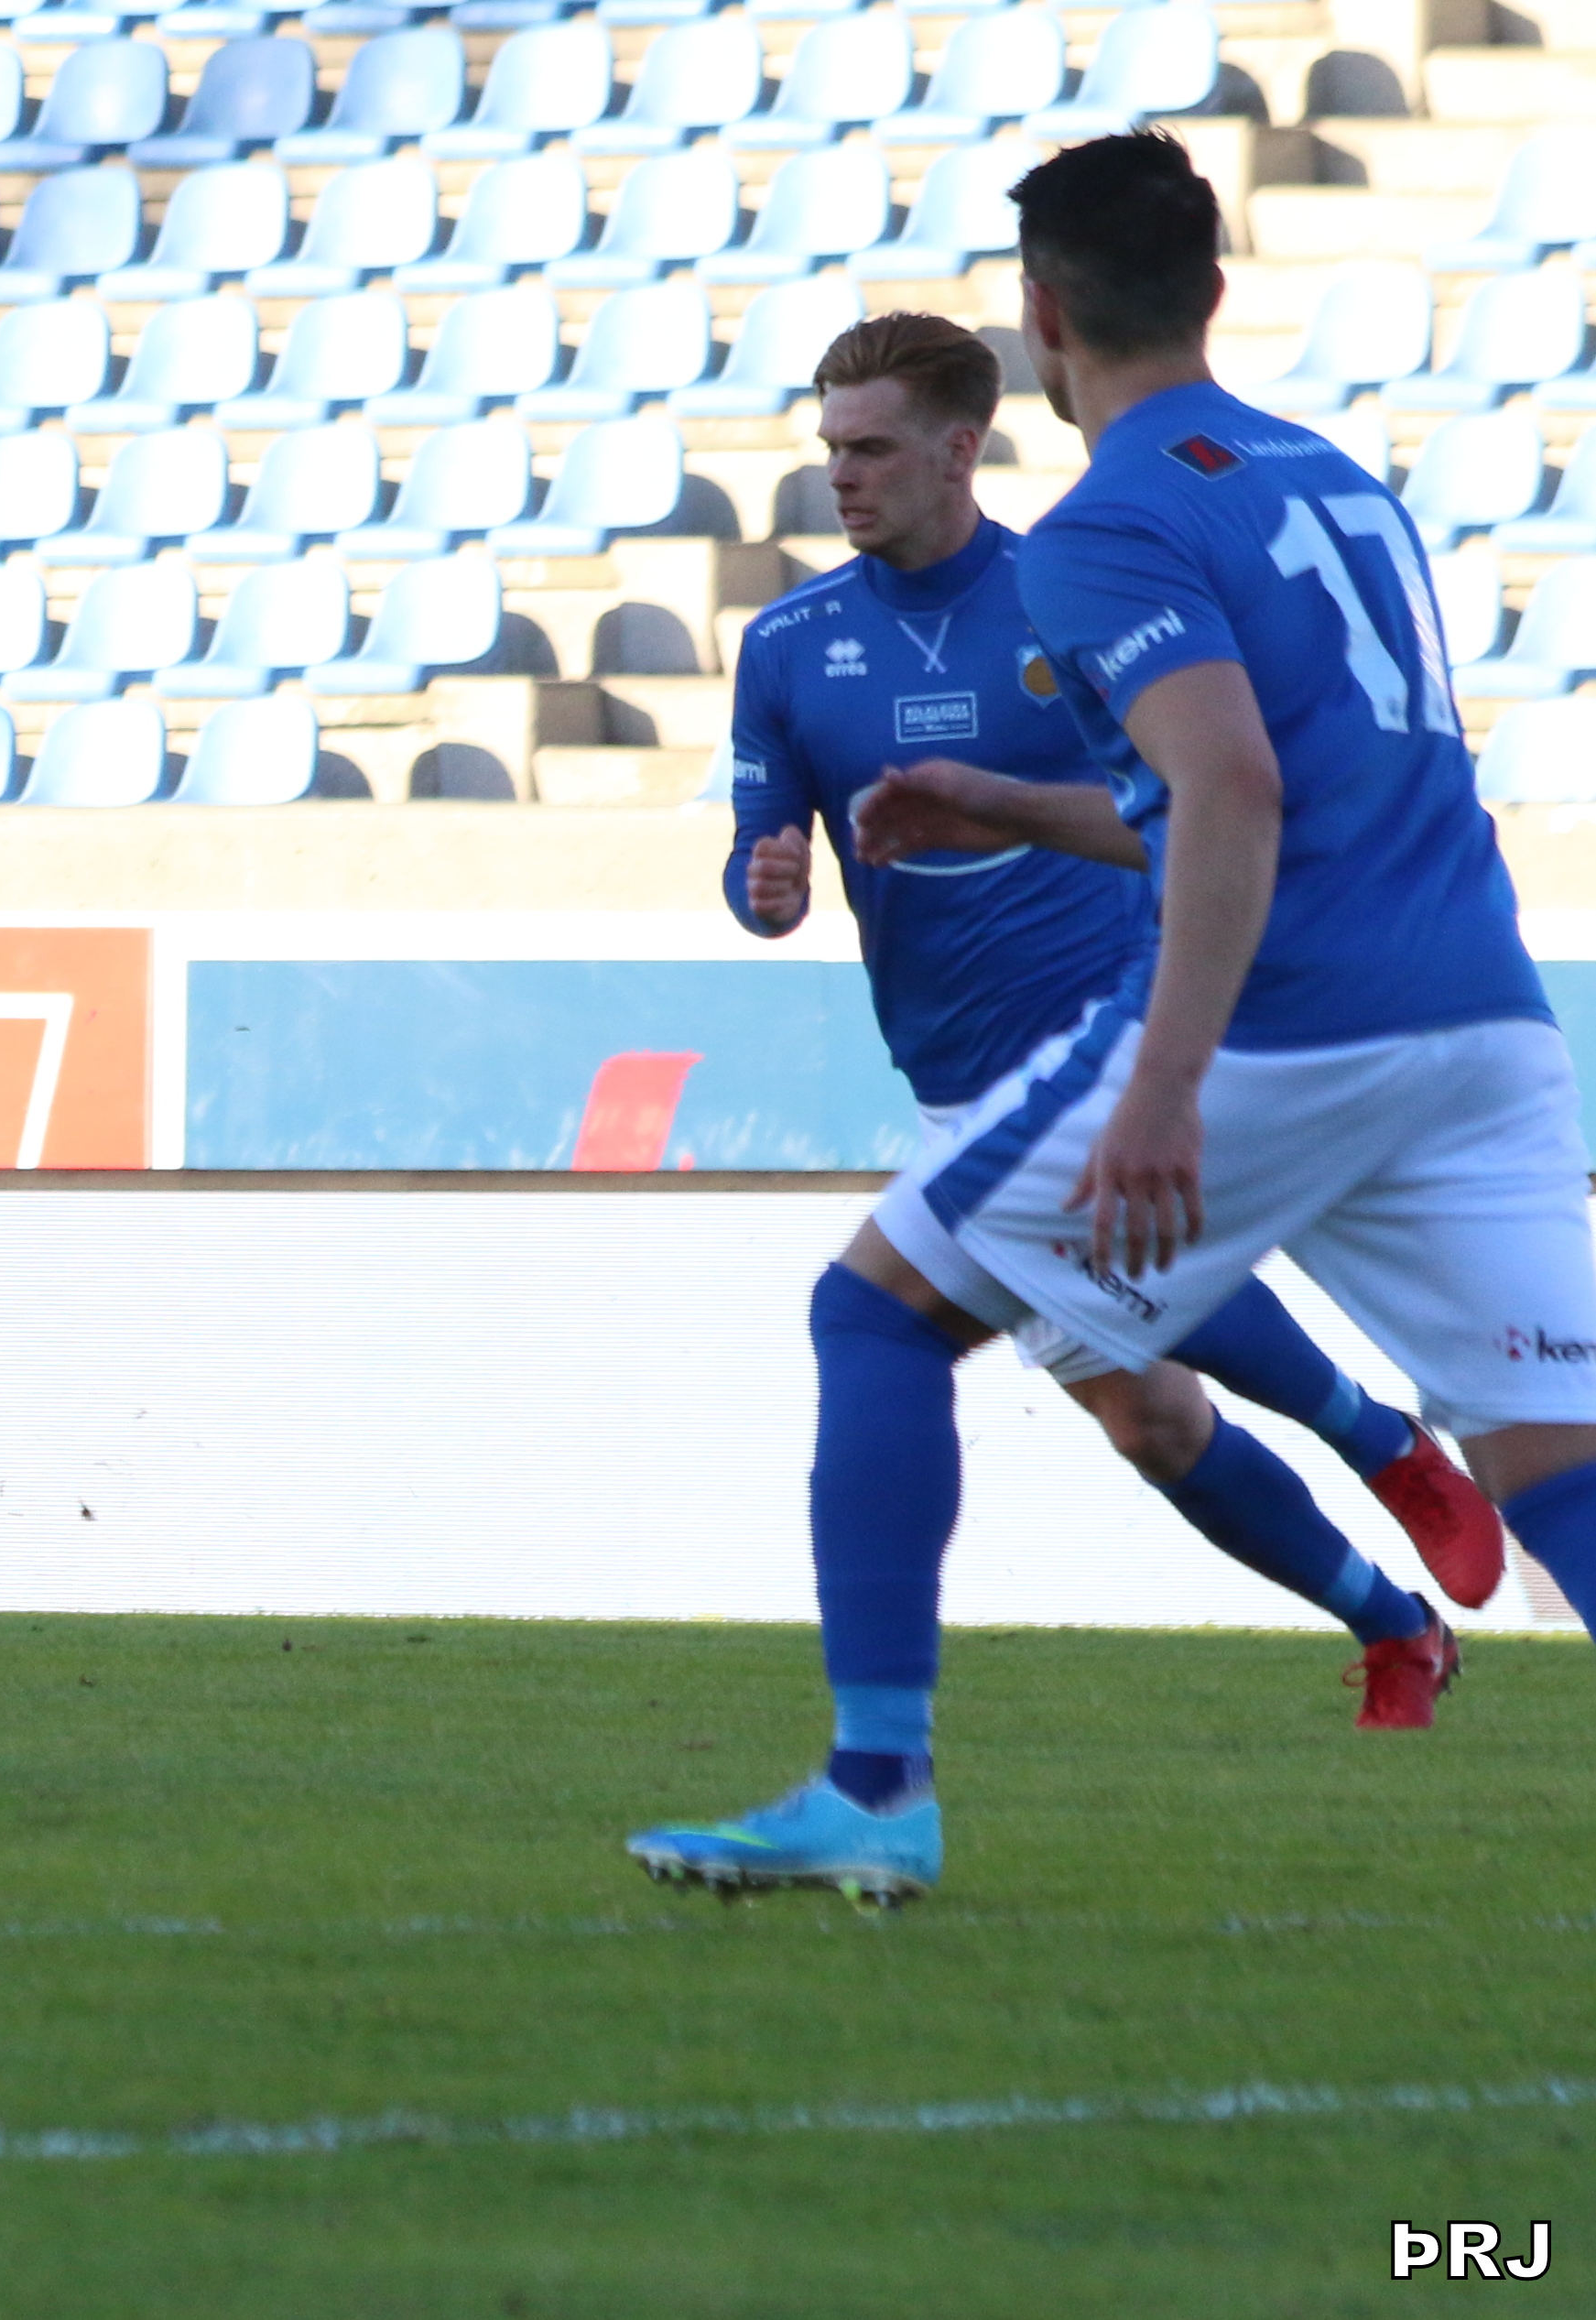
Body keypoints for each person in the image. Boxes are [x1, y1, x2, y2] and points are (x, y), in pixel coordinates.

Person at [633, 132, 1596, 1903]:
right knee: (1561, 1465)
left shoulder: (1101, 529)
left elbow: (1231, 792)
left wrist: (1163, 1084)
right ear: (1211, 290)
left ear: (1042, 317)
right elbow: (1271, 778)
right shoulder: (1336, 482)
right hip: (1483, 1020)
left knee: (874, 1314)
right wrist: (1003, 805)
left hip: (1279, 1017)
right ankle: (1386, 1515)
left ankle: (875, 1785)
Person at [721, 310, 1489, 1737]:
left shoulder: (1069, 596)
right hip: (952, 1075)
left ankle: (1381, 1444)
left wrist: (1019, 816)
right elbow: (756, 854)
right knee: (1151, 1420)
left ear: (960, 450)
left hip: (1105, 1035)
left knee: (1010, 1273)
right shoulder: (786, 645)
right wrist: (765, 887)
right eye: (831, 448)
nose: (841, 474)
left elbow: (1195, 814)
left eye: (871, 447)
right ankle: (1395, 1622)